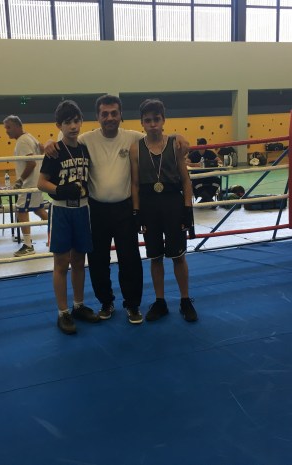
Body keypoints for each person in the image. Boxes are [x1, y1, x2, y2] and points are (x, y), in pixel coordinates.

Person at [45, 95, 145, 324]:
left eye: (114, 113)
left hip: (124, 209)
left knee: (130, 258)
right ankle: (105, 302)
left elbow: (156, 136)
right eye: (104, 114)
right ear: (97, 117)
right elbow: (63, 140)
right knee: (98, 260)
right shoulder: (86, 140)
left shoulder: (132, 137)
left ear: (120, 115)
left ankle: (132, 305)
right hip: (95, 210)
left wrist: (177, 137)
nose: (109, 118)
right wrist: (49, 142)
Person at [130, 99, 197, 322]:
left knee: (178, 255)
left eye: (156, 119)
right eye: (148, 120)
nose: (152, 124)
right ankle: (160, 302)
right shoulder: (136, 148)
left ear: (163, 120)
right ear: (142, 123)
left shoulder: (175, 145)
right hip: (149, 206)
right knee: (155, 257)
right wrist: (137, 212)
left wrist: (187, 209)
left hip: (173, 204)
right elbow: (135, 184)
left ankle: (185, 300)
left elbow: (185, 180)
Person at [37, 100, 100, 335]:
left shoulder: (85, 148)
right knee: (61, 263)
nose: (73, 126)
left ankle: (78, 305)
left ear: (81, 121)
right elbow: (41, 182)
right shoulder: (54, 151)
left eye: (76, 121)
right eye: (67, 122)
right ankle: (62, 312)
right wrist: (60, 190)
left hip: (82, 210)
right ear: (59, 126)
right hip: (61, 210)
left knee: (79, 261)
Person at [3, 115, 49, 257]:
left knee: (21, 211)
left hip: (29, 184)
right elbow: (42, 150)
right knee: (39, 210)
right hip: (35, 182)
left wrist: (20, 180)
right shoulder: (30, 137)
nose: (6, 131)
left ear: (18, 126)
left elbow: (31, 163)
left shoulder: (22, 141)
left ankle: (28, 246)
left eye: (9, 127)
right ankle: (60, 233)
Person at [185, 137, 221, 204]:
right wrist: (195, 165)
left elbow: (219, 161)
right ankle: (209, 199)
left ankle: (205, 198)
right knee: (194, 182)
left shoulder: (210, 153)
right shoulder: (193, 154)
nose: (202, 148)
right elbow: (186, 163)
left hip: (209, 175)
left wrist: (212, 163)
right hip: (197, 175)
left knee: (218, 180)